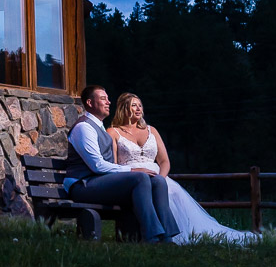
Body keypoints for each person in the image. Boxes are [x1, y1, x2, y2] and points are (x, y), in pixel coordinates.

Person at [107, 93, 257, 245]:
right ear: (124, 108)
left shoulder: (152, 131)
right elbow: (112, 163)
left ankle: (170, 236)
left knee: (171, 194)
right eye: (133, 105)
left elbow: (164, 161)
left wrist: (161, 178)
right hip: (133, 177)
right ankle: (154, 237)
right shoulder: (113, 132)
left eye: (140, 105)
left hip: (158, 176)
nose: (138, 108)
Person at [62, 85, 180, 242]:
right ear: (90, 103)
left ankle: (167, 237)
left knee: (158, 180)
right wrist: (133, 169)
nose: (108, 102)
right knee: (140, 178)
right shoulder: (83, 127)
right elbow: (97, 165)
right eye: (103, 98)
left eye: (108, 98)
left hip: (98, 182)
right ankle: (152, 236)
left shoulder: (99, 127)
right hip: (82, 185)